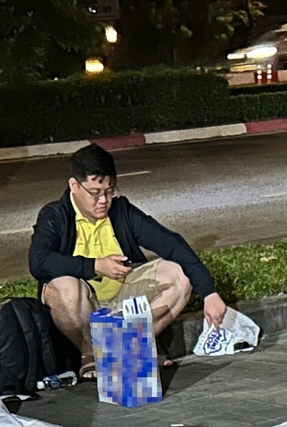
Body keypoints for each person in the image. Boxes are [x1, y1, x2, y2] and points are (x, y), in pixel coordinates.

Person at [31, 144, 228, 359]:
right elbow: (39, 262)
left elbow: (172, 244)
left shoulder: (121, 210)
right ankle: (91, 354)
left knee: (178, 274)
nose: (104, 201)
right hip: (84, 307)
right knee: (63, 286)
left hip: (123, 301)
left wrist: (209, 293)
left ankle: (131, 347)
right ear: (74, 185)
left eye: (109, 191)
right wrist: (95, 265)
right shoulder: (55, 216)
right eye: (95, 193)